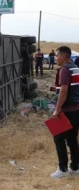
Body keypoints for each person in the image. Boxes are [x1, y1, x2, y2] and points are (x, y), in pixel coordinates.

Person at [50, 46, 79, 178]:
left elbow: (64, 91)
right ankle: (75, 167)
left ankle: (62, 169)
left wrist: (57, 110)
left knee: (58, 138)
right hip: (76, 109)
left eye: (56, 56)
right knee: (72, 139)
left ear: (63, 56)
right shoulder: (75, 68)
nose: (55, 58)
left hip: (66, 110)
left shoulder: (64, 70)